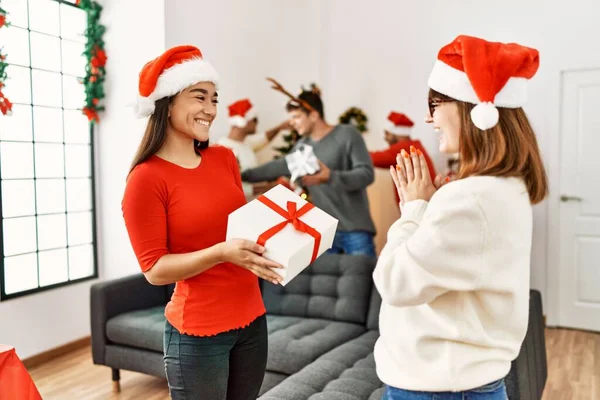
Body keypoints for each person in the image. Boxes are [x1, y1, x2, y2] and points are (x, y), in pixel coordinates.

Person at [373, 35, 548, 400]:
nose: (427, 117)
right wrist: (435, 207)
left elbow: (394, 281)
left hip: (440, 389)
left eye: (434, 104)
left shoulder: (469, 199)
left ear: (472, 109)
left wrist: (414, 208)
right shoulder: (501, 189)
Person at [121, 45, 283, 400]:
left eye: (214, 99)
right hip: (198, 334)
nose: (211, 110)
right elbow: (155, 269)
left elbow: (234, 225)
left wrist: (281, 214)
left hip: (254, 320)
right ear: (167, 102)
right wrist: (221, 253)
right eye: (200, 97)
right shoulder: (146, 180)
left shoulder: (224, 158)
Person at [241, 85, 377, 258]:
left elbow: (366, 174)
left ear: (313, 114)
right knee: (328, 285)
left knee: (362, 281)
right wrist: (238, 174)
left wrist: (331, 176)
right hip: (324, 233)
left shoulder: (347, 135)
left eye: (296, 117)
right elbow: (276, 167)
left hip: (355, 230)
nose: (292, 122)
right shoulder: (301, 147)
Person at [218, 98, 289, 200]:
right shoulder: (223, 149)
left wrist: (280, 127)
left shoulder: (246, 144)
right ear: (242, 121)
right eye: (255, 119)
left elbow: (264, 138)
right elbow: (227, 186)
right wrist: (265, 188)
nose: (257, 123)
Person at [369, 111, 437, 204]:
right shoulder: (413, 145)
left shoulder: (403, 148)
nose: (385, 137)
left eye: (387, 133)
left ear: (397, 133)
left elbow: (374, 158)